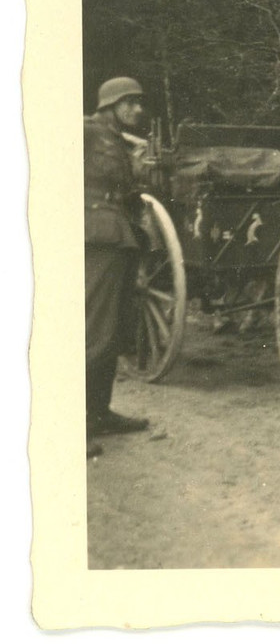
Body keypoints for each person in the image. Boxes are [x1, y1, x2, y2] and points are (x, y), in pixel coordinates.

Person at [85, 77, 152, 457]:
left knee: (111, 330)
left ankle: (99, 414)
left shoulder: (119, 142)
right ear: (109, 105)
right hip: (95, 236)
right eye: (129, 103)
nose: (138, 110)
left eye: (140, 103)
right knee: (94, 330)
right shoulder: (87, 130)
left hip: (118, 234)